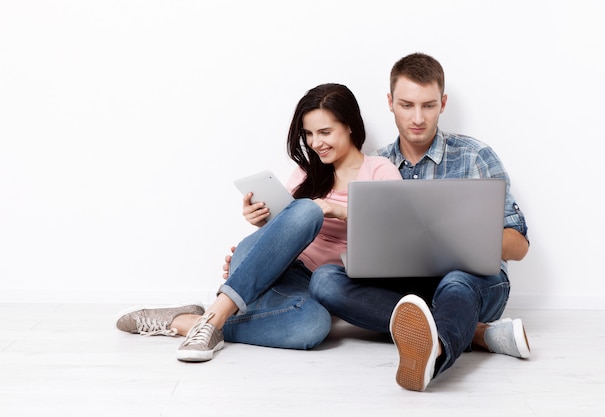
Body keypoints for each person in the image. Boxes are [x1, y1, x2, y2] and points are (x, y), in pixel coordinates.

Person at [114, 83, 402, 361]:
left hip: (311, 286)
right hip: (274, 269)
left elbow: (395, 229)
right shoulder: (306, 173)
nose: (316, 143)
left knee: (315, 326)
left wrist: (337, 210)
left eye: (325, 132)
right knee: (307, 212)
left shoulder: (379, 170)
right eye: (310, 134)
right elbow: (286, 231)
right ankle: (218, 313)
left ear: (350, 124)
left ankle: (192, 321)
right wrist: (261, 222)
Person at [307, 52, 530, 392]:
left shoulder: (475, 156)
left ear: (442, 103)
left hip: (473, 281)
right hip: (402, 287)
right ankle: (475, 332)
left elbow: (519, 246)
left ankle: (435, 350)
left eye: (428, 105)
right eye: (406, 105)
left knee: (457, 280)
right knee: (325, 280)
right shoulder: (374, 165)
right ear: (390, 103)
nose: (417, 118)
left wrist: (458, 241)